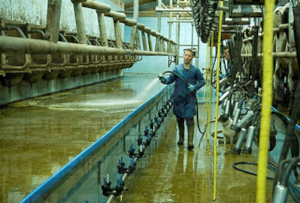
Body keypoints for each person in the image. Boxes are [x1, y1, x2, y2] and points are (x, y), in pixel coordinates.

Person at [158, 49, 206, 151]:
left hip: (190, 98)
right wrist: (163, 80)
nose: (187, 57)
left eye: (189, 56)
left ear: (192, 57)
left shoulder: (195, 70)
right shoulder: (177, 69)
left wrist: (195, 87)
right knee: (179, 119)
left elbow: (202, 81)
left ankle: (190, 143)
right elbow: (170, 80)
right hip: (179, 98)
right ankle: (181, 139)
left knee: (189, 119)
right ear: (183, 56)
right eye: (185, 55)